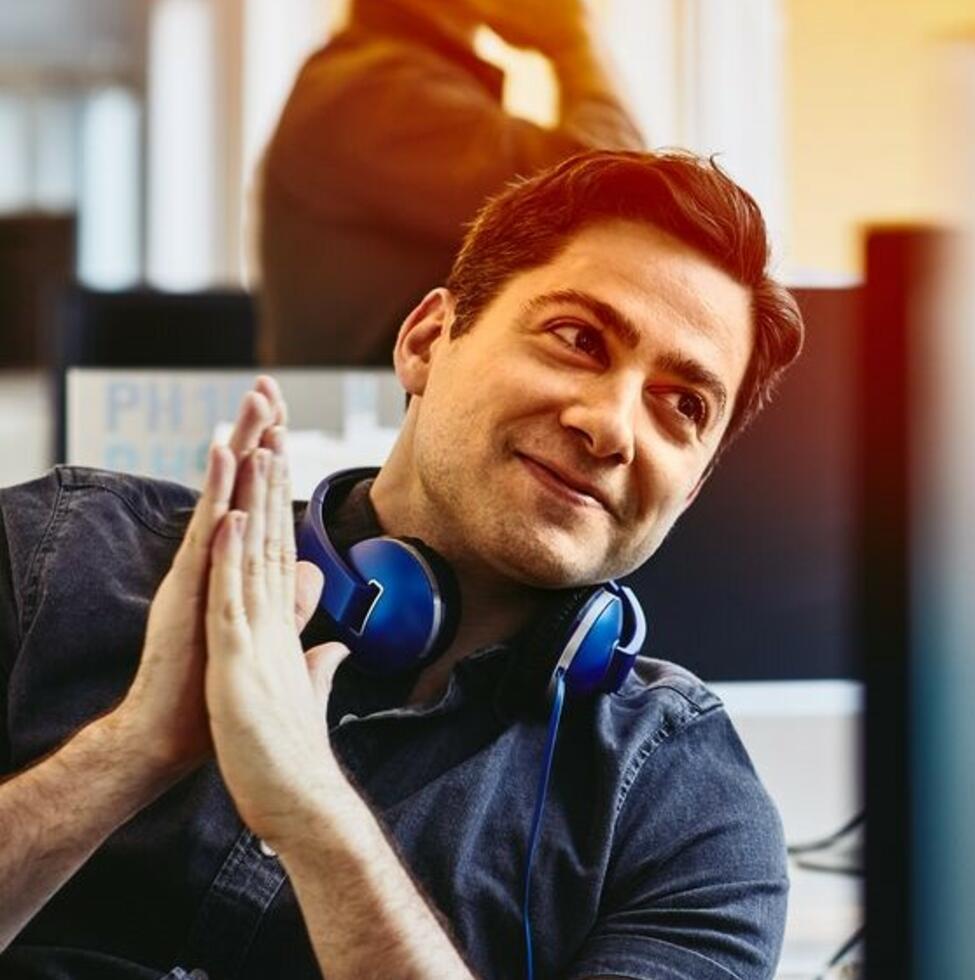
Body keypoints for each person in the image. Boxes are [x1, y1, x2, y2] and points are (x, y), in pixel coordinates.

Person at [0, 150, 804, 979]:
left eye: (683, 406)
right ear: (425, 341)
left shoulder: (689, 817)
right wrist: (131, 748)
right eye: (577, 339)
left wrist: (313, 811)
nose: (611, 428)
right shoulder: (54, 554)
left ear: (695, 484)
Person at [257, 0, 644, 366]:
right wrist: (571, 43)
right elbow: (611, 198)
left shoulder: (366, 78)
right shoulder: (377, 92)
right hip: (384, 416)